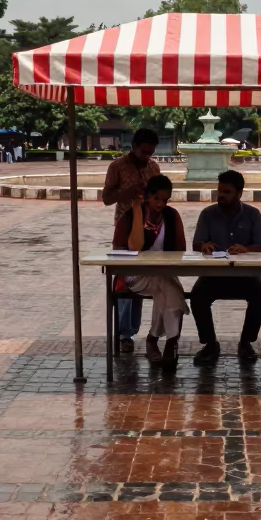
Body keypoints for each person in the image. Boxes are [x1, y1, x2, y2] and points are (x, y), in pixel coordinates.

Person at [190, 170, 261, 364]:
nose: (221, 196)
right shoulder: (208, 214)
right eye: (220, 191)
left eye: (227, 192)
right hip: (214, 275)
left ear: (239, 193)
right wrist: (204, 246)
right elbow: (196, 244)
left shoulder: (253, 214)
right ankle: (210, 344)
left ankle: (246, 342)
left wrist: (247, 249)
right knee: (197, 295)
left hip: (245, 275)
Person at [112, 174, 188, 364]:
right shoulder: (130, 216)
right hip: (135, 275)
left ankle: (156, 340)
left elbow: (180, 250)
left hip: (164, 272)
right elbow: (135, 246)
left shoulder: (172, 216)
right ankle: (167, 342)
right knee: (172, 288)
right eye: (156, 199)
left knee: (165, 286)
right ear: (147, 196)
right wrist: (137, 210)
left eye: (165, 200)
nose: (161, 204)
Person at [103, 129, 162, 353]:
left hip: (150, 228)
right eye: (144, 151)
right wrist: (126, 192)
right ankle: (125, 333)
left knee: (145, 280)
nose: (147, 156)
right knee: (125, 282)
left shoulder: (153, 167)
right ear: (134, 146)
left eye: (150, 152)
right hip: (124, 229)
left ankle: (143, 331)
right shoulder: (117, 166)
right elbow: (106, 198)